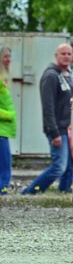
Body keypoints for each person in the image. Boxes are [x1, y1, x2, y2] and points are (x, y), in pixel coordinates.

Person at [22, 43, 73, 194]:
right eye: (63, 53)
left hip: (69, 128)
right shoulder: (51, 76)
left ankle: (65, 190)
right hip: (57, 129)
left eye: (69, 54)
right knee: (59, 167)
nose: (66, 56)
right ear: (56, 56)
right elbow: (48, 107)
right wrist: (54, 132)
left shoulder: (69, 76)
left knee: (69, 166)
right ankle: (31, 191)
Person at [0, 46, 17, 195]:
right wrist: (9, 115)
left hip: (3, 130)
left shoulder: (3, 78)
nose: (8, 60)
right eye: (5, 56)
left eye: (9, 57)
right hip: (1, 130)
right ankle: (2, 192)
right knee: (5, 166)